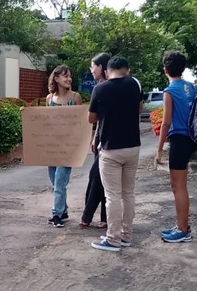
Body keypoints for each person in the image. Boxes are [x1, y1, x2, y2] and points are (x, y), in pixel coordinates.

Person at [88, 56, 143, 251]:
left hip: (111, 149)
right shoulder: (134, 85)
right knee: (128, 193)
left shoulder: (100, 89)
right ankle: (126, 235)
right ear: (126, 70)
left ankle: (113, 239)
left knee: (112, 195)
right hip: (133, 147)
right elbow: (139, 109)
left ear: (106, 71)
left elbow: (91, 118)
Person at [155, 51, 197, 243]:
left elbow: (165, 123)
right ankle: (182, 224)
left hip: (179, 139)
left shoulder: (169, 91)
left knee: (178, 186)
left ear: (165, 69)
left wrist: (159, 150)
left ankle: (182, 230)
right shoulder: (190, 87)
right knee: (180, 185)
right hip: (190, 139)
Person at [45, 65, 80, 228]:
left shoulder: (75, 97)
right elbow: (44, 122)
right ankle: (64, 209)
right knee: (55, 181)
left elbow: (81, 123)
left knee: (59, 183)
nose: (69, 79)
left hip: (68, 147)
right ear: (56, 78)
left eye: (70, 76)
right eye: (65, 76)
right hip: (52, 147)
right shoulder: (49, 99)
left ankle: (56, 214)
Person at [79, 53, 110, 229]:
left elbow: (93, 117)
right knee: (101, 178)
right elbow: (99, 120)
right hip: (101, 138)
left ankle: (87, 216)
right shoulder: (99, 86)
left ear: (102, 67)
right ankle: (103, 218)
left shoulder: (105, 87)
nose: (91, 70)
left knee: (97, 177)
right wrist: (94, 136)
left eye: (93, 66)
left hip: (109, 142)